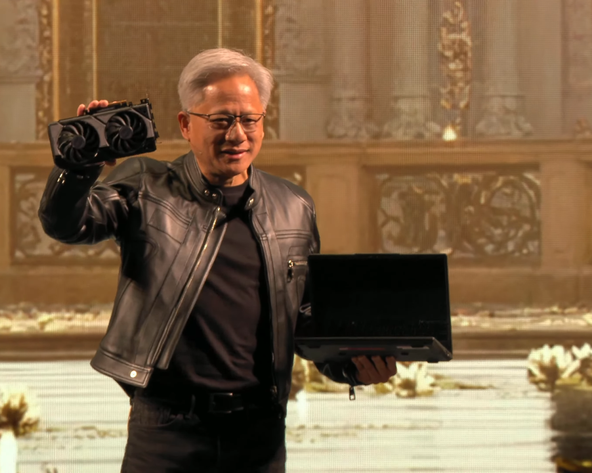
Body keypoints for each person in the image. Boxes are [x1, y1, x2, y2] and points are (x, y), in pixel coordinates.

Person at [38, 48, 397, 473]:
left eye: (250, 119)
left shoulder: (294, 205)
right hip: (167, 430)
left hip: (259, 433)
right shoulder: (144, 186)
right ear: (186, 125)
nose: (237, 134)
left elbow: (303, 321)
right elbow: (67, 224)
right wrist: (80, 168)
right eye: (222, 120)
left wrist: (352, 367)